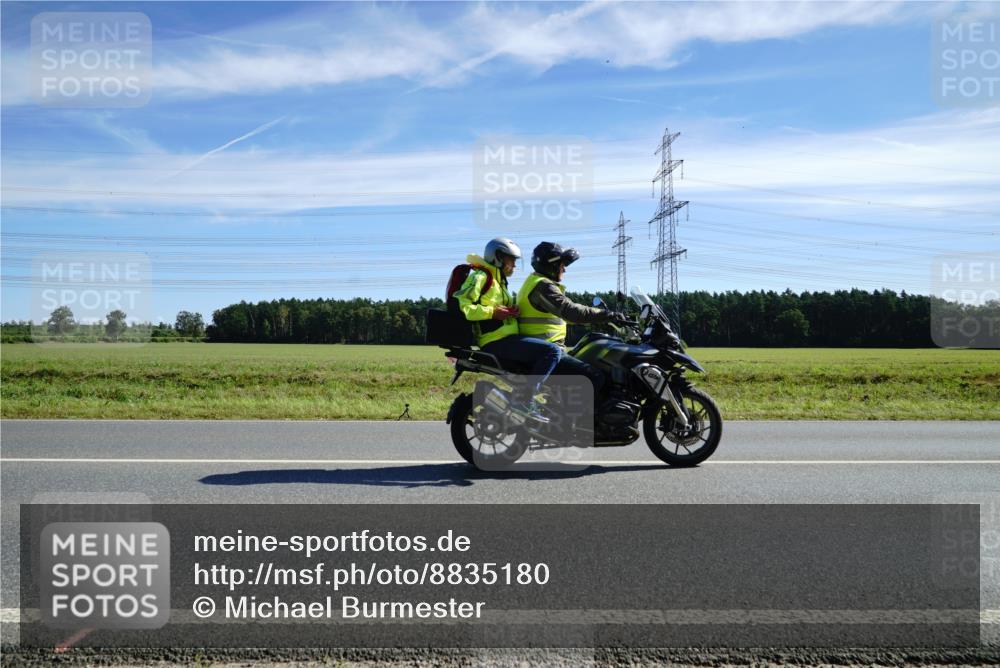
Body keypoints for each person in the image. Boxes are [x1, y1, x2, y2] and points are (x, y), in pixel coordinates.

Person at [453, 237, 561, 421]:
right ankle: (526, 401)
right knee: (552, 352)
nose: (514, 265)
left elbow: (494, 309)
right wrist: (492, 312)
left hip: (504, 339)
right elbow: (463, 305)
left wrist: (511, 313)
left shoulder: (498, 280)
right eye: (511, 260)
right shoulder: (481, 276)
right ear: (498, 257)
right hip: (495, 341)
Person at [517, 241, 615, 402]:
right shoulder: (543, 287)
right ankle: (577, 424)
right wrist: (606, 315)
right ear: (552, 265)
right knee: (594, 377)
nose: (565, 269)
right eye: (562, 264)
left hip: (544, 348)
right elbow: (571, 312)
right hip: (546, 351)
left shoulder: (535, 282)